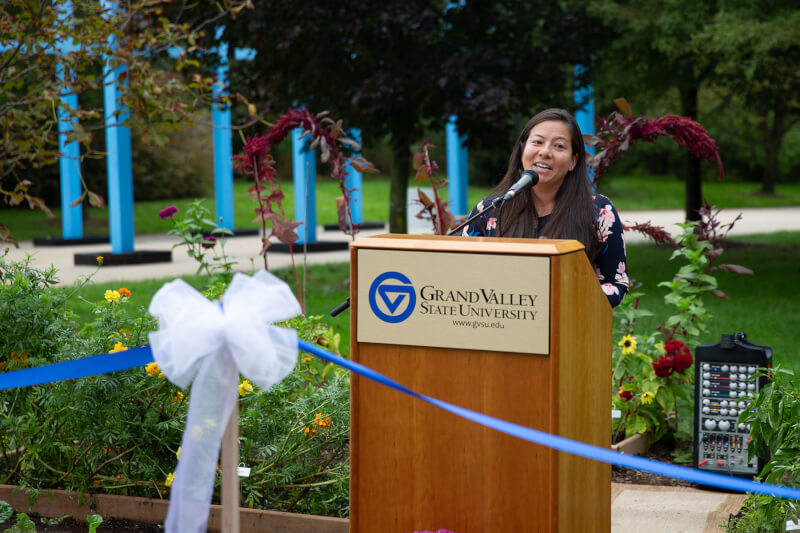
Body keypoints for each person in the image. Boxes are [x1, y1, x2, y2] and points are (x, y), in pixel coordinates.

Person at [462, 108, 629, 307]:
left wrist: (565, 302)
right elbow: (462, 274)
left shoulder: (599, 211)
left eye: (559, 146)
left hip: (569, 321)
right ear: (522, 150)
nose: (545, 152)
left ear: (573, 161)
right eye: (537, 142)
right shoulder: (489, 210)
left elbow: (615, 284)